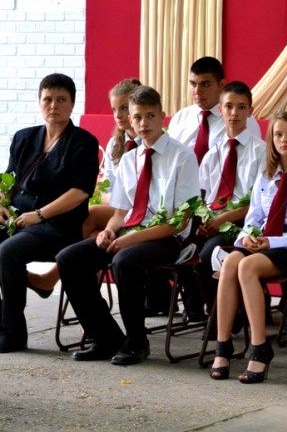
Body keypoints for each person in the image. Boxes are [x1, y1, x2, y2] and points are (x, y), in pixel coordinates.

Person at [55, 85, 200, 365]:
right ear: (130, 120)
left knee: (124, 261)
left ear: (162, 116)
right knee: (69, 258)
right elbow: (120, 212)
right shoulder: (130, 159)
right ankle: (106, 337)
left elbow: (178, 222)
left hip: (167, 238)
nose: (144, 123)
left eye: (150, 116)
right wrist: (109, 231)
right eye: (137, 117)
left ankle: (136, 343)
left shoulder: (182, 156)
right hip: (128, 231)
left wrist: (128, 239)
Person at [209, 111, 287, 382]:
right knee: (231, 262)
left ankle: (260, 348)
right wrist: (246, 237)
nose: (284, 140)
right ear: (271, 139)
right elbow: (253, 219)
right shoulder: (266, 175)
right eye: (278, 134)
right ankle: (223, 345)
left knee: (247, 266)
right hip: (263, 243)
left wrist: (272, 241)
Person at [0, 74, 99, 353]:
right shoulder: (24, 137)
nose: (54, 105)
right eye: (48, 99)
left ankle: (13, 334)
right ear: (39, 102)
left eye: (61, 99)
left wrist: (40, 215)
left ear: (72, 104)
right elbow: (9, 180)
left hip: (58, 225)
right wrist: (1, 203)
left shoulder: (83, 141)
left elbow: (80, 191)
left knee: (7, 252)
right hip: (19, 218)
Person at [27, 78, 142, 294]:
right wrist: (115, 199)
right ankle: (90, 298)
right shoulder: (116, 143)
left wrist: (119, 202)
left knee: (88, 215)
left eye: (125, 108)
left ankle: (51, 279)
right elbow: (107, 184)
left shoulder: (150, 142)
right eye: (114, 109)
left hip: (142, 209)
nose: (118, 115)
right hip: (118, 208)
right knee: (93, 236)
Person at [192, 81, 265, 315]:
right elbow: (203, 197)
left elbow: (259, 202)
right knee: (185, 248)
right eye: (229, 106)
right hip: (213, 220)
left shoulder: (261, 152)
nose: (234, 113)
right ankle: (202, 309)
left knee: (206, 255)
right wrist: (204, 221)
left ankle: (226, 317)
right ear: (220, 109)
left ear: (250, 111)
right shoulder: (212, 155)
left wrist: (222, 220)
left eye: (241, 107)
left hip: (243, 222)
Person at [168, 57, 261, 165]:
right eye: (193, 84)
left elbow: (253, 159)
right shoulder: (180, 117)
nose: (197, 91)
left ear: (221, 85)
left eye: (205, 84)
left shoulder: (243, 119)